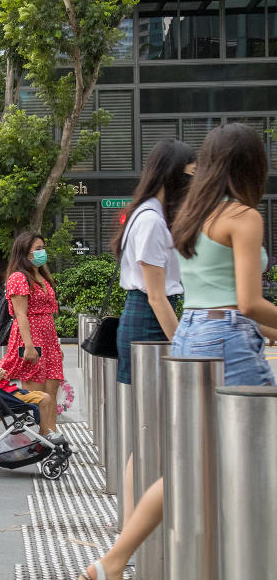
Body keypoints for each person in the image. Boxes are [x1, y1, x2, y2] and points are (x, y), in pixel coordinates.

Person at [75, 123, 277, 580]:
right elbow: (247, 302)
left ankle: (110, 566)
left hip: (193, 333)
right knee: (254, 451)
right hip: (226, 336)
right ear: (252, 165)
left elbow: (216, 296)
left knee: (192, 462)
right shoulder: (244, 216)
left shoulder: (190, 215)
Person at [111, 139, 192, 525]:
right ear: (174, 174)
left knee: (150, 430)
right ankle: (132, 525)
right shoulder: (151, 219)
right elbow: (158, 297)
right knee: (149, 432)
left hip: (148, 317)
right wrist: (185, 348)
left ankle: (134, 524)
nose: (196, 182)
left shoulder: (151, 215)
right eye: (191, 174)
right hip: (149, 320)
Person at [0, 232, 63, 438]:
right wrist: (30, 345)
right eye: (38, 249)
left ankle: (50, 434)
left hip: (49, 338)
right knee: (37, 395)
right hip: (31, 337)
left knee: (51, 391)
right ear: (25, 253)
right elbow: (21, 314)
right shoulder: (19, 277)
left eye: (43, 247)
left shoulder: (41, 276)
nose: (43, 252)